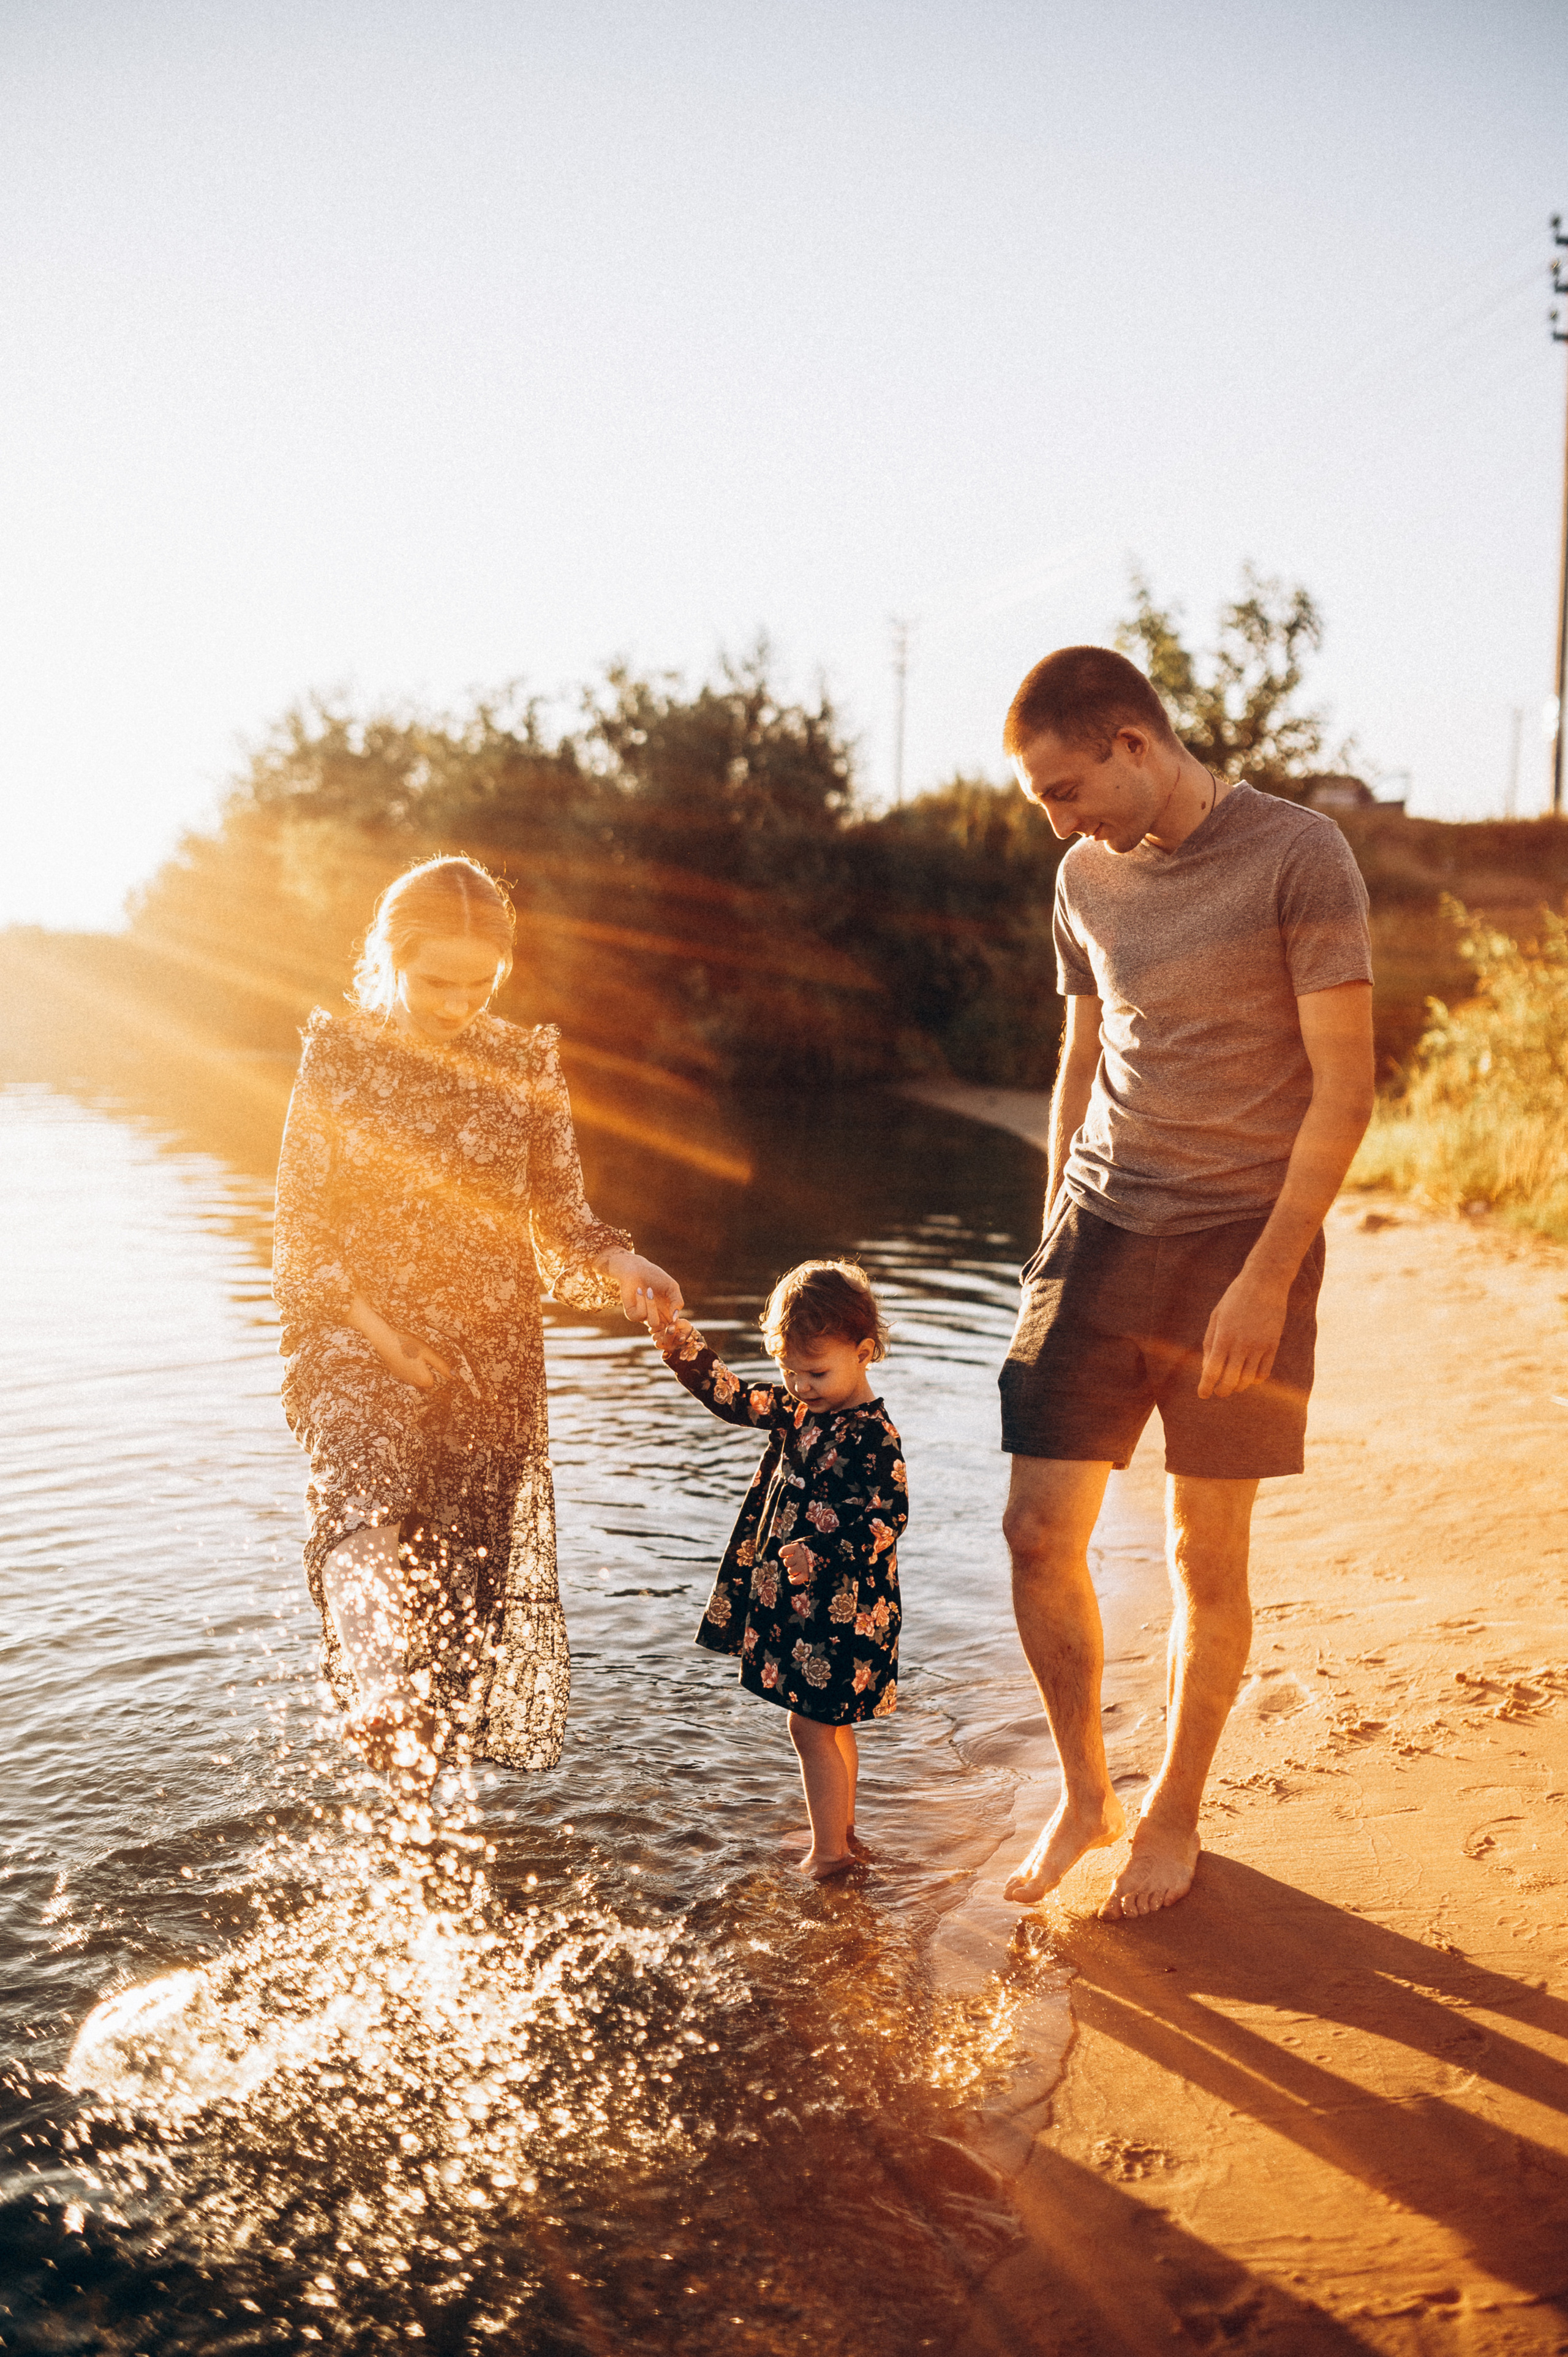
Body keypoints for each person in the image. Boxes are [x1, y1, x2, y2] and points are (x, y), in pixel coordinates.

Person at [997, 646, 1375, 1919]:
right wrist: (1050, 1231)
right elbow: (1081, 1050)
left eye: (1061, 788)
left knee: (1199, 1552)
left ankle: (1171, 1812)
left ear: (1129, 744)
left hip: (1239, 1236)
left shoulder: (1297, 854)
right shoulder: (1080, 877)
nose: (1054, 819)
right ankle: (1084, 1790)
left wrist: (1268, 1275)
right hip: (1099, 1230)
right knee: (1034, 1531)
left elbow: (1344, 1085)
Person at [272, 854, 682, 1785]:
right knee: (361, 1486)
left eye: (477, 981)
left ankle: (419, 1828)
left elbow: (559, 1217)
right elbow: (302, 1227)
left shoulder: (523, 1059)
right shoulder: (338, 1051)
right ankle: (377, 1682)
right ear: (392, 955)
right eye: (434, 980)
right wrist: (388, 1343)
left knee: (453, 1614)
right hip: (353, 1329)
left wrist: (622, 1261)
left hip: (484, 1355)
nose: (455, 1001)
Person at [645, 1262, 906, 1880]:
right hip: (800, 1602)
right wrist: (678, 1341)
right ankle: (839, 1830)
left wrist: (821, 1548)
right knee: (829, 1722)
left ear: (863, 1352)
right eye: (790, 1371)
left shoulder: (873, 1436)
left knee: (810, 1723)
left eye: (816, 1372)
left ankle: (831, 1852)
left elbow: (886, 1515)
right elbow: (733, 1397)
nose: (801, 1386)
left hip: (843, 1606)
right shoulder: (797, 1409)